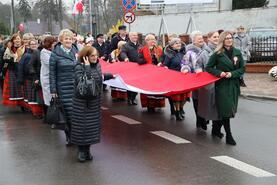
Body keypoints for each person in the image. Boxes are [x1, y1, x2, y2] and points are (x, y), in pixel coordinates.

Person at [71, 46, 114, 162]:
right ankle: (81, 151)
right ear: (85, 56)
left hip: (94, 102)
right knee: (81, 128)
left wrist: (109, 76)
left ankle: (87, 150)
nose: (95, 58)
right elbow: (83, 82)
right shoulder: (78, 66)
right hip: (81, 103)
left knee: (92, 128)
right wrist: (87, 67)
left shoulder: (98, 65)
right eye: (92, 56)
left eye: (96, 55)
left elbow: (98, 79)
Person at [205, 31, 245, 145]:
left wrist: (232, 74)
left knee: (231, 109)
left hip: (234, 84)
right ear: (223, 40)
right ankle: (229, 135)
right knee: (226, 110)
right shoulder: (217, 53)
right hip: (222, 86)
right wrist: (220, 73)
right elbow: (208, 67)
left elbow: (242, 69)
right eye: (227, 38)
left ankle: (216, 129)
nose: (229, 40)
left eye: (231, 38)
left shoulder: (237, 52)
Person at [49, 29, 79, 146]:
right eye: (66, 38)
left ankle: (75, 136)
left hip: (76, 87)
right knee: (68, 114)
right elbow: (52, 73)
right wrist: (53, 90)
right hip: (63, 88)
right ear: (61, 40)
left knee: (77, 114)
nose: (68, 40)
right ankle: (69, 136)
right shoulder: (55, 54)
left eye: (70, 38)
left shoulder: (76, 51)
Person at [196, 31, 224, 138]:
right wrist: (198, 71)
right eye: (214, 37)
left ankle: (216, 129)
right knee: (212, 107)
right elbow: (198, 65)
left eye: (218, 36)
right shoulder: (204, 53)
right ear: (208, 39)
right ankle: (211, 126)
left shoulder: (223, 50)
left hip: (222, 83)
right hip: (209, 84)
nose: (217, 38)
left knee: (221, 107)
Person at [181, 31, 208, 130]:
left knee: (206, 100)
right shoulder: (189, 52)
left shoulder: (207, 50)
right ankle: (199, 119)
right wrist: (185, 69)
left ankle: (204, 118)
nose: (201, 40)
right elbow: (185, 63)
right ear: (193, 41)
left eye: (202, 38)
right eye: (198, 38)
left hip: (207, 79)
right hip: (196, 79)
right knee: (197, 100)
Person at [17, 39, 44, 118]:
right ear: (28, 45)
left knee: (37, 96)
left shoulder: (40, 53)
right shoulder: (26, 55)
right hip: (29, 78)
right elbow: (22, 67)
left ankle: (39, 112)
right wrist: (21, 79)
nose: (33, 45)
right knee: (32, 97)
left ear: (37, 44)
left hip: (37, 77)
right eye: (31, 44)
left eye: (35, 44)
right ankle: (35, 112)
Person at [164, 38, 189, 121]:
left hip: (184, 77)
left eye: (179, 43)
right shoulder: (169, 55)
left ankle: (181, 108)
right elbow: (165, 65)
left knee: (185, 97)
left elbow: (187, 63)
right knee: (177, 97)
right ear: (172, 46)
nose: (178, 44)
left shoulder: (183, 53)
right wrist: (165, 68)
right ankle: (177, 112)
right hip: (174, 78)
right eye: (176, 43)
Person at [139, 34, 165, 112]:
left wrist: (160, 61)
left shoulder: (159, 49)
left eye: (154, 39)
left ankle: (159, 104)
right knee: (149, 90)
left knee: (158, 89)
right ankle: (150, 106)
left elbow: (163, 59)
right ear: (147, 41)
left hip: (158, 73)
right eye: (151, 39)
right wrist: (147, 61)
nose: (153, 41)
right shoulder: (142, 50)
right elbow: (139, 61)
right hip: (147, 73)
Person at [120, 32, 145, 105]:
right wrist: (125, 58)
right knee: (130, 84)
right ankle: (130, 99)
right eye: (134, 35)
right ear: (130, 37)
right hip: (130, 68)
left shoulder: (140, 46)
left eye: (136, 35)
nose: (135, 37)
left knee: (137, 84)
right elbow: (122, 53)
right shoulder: (126, 45)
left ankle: (133, 97)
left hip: (139, 67)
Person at [2, 33, 26, 109]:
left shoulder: (24, 48)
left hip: (22, 70)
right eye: (15, 39)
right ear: (13, 40)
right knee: (14, 88)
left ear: (21, 39)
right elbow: (5, 60)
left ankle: (24, 104)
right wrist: (11, 61)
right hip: (12, 70)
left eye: (18, 38)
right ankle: (19, 103)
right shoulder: (9, 49)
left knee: (23, 88)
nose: (17, 40)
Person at [40, 36, 57, 119]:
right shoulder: (44, 52)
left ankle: (53, 116)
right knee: (48, 98)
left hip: (53, 77)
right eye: (54, 43)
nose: (55, 44)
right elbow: (50, 64)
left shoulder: (53, 51)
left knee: (53, 98)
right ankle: (48, 116)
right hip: (47, 78)